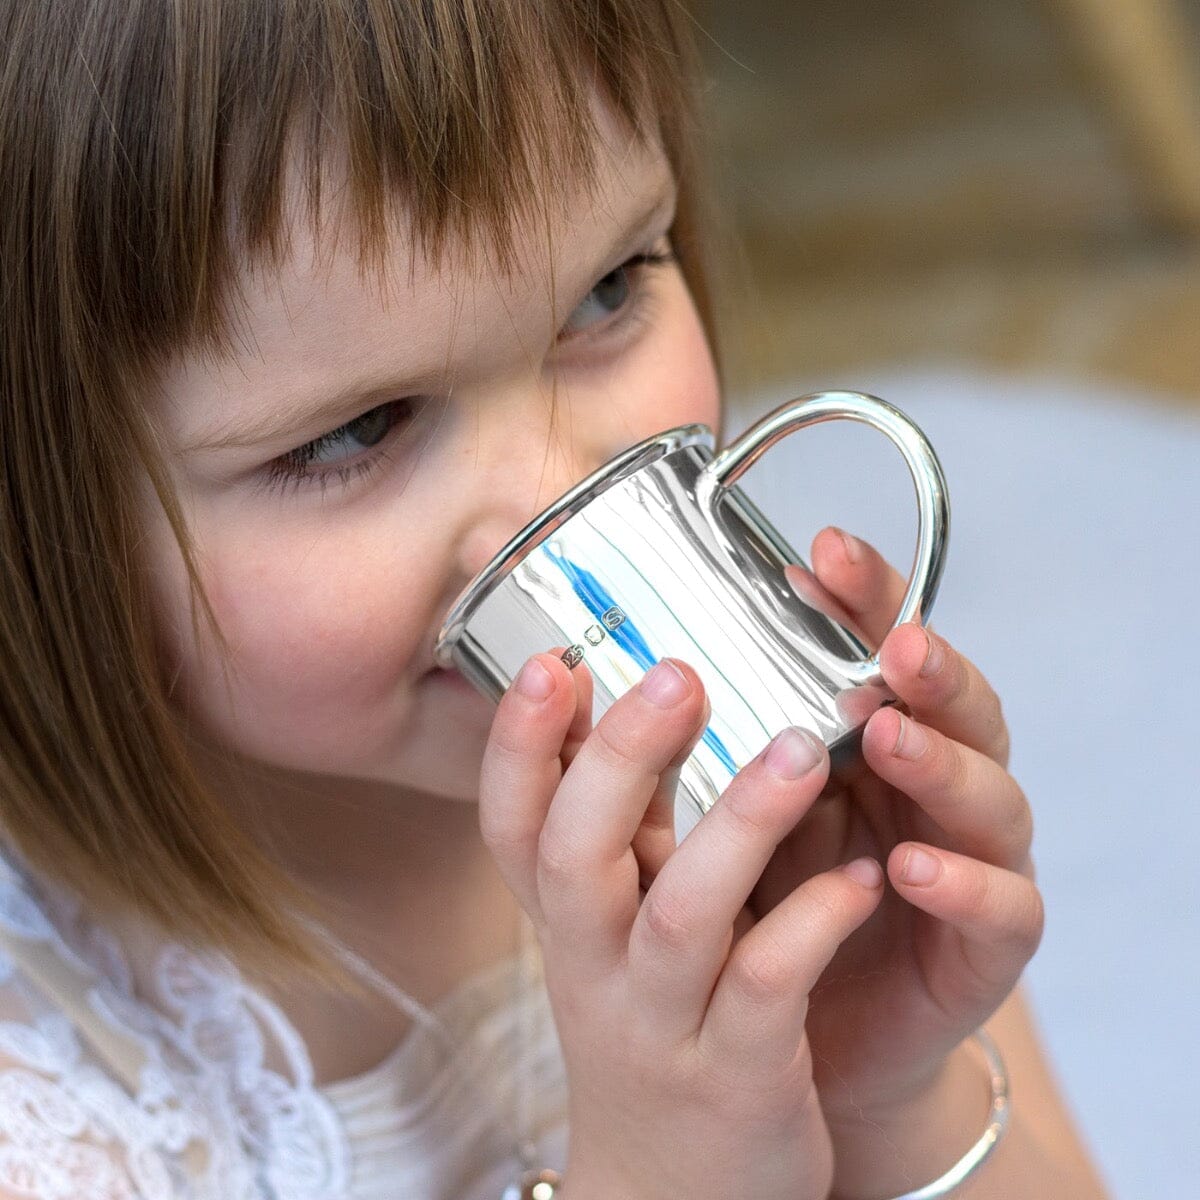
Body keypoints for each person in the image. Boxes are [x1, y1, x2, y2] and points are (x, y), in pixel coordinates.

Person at [0, 1, 1111, 1197]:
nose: (561, 489)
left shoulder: (773, 804)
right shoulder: (59, 1125)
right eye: (357, 430)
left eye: (604, 293)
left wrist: (892, 1091)